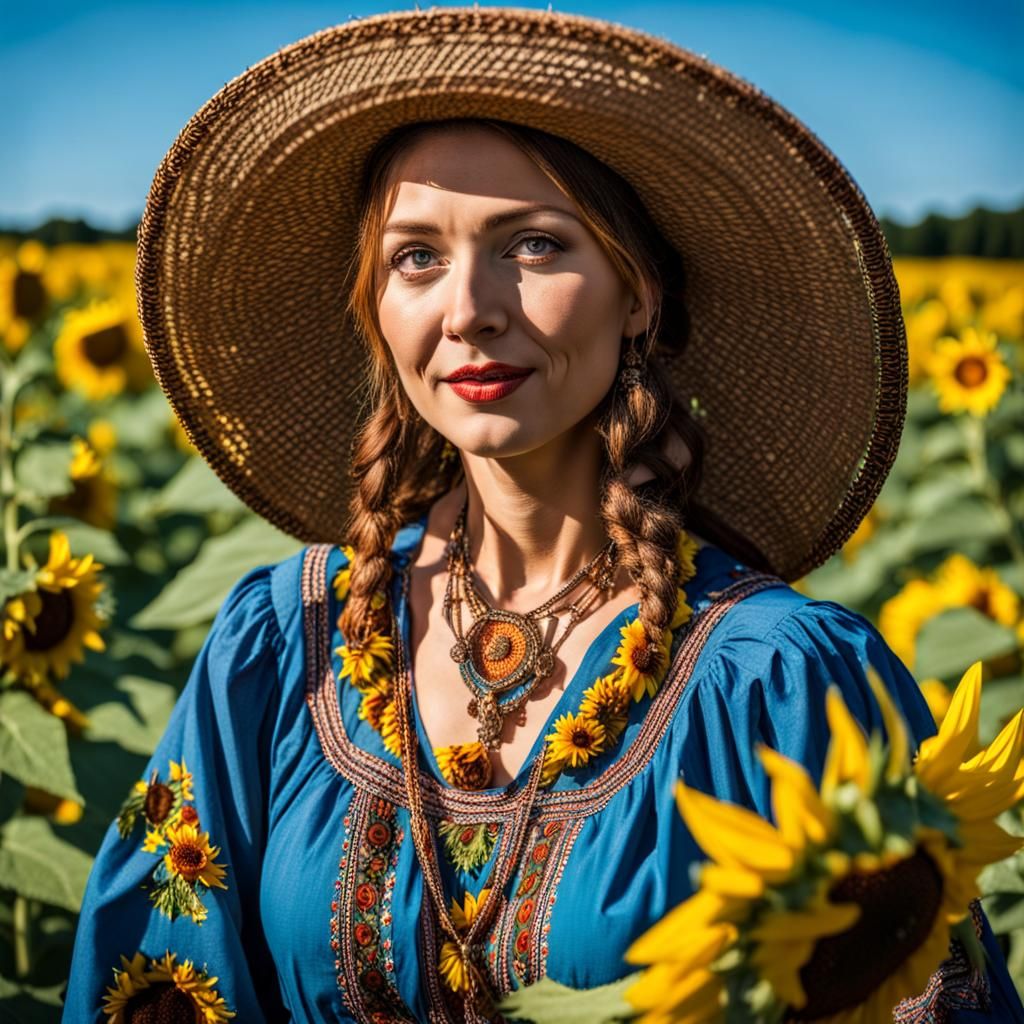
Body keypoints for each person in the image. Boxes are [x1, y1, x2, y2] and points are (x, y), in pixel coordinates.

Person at [63, 8, 1023, 1023]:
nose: (469, 306)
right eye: (415, 257)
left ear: (638, 293)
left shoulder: (782, 681)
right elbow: (156, 981)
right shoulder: (276, 650)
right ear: (375, 312)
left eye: (532, 244)